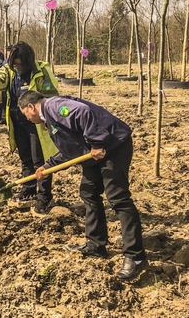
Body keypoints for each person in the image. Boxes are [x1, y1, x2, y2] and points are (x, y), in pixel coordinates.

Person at [18, 91, 148, 280]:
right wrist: (48, 166)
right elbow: (72, 149)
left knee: (118, 198)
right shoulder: (50, 119)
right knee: (88, 193)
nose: (28, 120)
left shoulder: (53, 107)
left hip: (113, 147)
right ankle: (96, 245)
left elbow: (83, 112)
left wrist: (96, 143)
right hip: (95, 153)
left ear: (31, 107)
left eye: (26, 115)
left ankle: (136, 256)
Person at [0, 41, 59, 214]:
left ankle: (45, 196)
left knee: (41, 160)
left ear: (28, 61)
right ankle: (28, 189)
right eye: (14, 64)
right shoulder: (9, 70)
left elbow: (52, 95)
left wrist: (46, 117)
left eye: (20, 64)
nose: (17, 67)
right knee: (25, 158)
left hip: (37, 124)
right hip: (17, 122)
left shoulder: (41, 71)